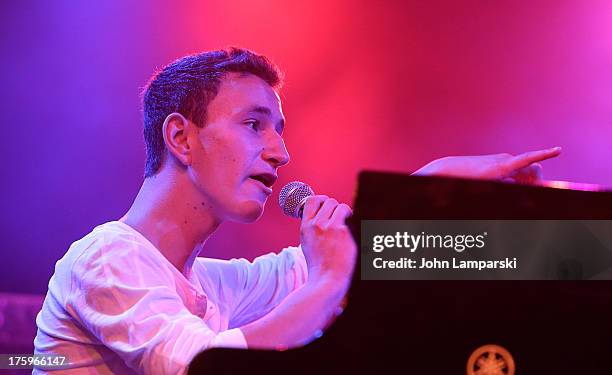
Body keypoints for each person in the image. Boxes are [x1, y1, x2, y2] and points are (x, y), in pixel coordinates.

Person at [33, 47, 560, 374]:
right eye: (254, 124)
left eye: (280, 133)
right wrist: (327, 281)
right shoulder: (107, 257)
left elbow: (307, 267)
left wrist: (429, 181)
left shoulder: (208, 285)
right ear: (180, 137)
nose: (281, 154)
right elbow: (204, 368)